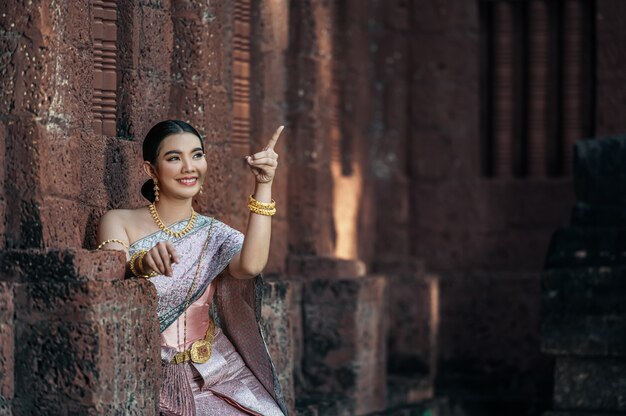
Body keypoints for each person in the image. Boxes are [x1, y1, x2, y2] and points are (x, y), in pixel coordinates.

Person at [96, 120, 287, 416]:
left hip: (220, 368)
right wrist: (143, 263)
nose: (189, 167)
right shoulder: (119, 221)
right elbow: (111, 275)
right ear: (151, 169)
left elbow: (250, 266)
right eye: (174, 158)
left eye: (197, 155)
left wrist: (264, 184)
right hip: (153, 374)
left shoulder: (214, 234)